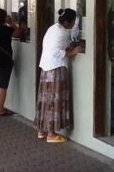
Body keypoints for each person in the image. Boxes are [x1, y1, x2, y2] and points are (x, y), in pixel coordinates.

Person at [35, 8, 84, 143]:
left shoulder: (53, 28)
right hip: (55, 69)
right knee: (54, 100)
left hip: (46, 68)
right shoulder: (62, 33)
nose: (74, 24)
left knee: (45, 99)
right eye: (73, 22)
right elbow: (58, 51)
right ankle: (51, 134)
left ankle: (42, 130)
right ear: (67, 22)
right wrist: (74, 51)